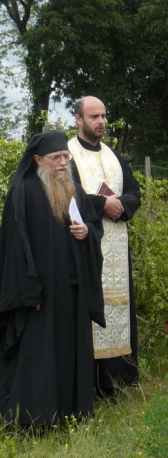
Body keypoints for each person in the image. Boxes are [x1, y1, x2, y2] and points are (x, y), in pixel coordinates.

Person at [0, 131, 104, 426]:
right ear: (38, 160)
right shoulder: (23, 190)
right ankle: (36, 418)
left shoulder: (74, 188)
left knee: (71, 347)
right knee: (40, 353)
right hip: (40, 292)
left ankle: (73, 410)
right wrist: (28, 291)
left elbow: (92, 226)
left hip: (72, 288)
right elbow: (14, 247)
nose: (62, 163)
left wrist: (87, 233)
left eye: (65, 157)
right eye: (56, 158)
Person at [68, 96, 141, 396]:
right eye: (94, 116)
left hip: (117, 246)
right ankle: (88, 383)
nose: (101, 122)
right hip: (85, 247)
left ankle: (117, 381)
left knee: (118, 309)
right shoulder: (67, 154)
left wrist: (121, 205)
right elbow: (67, 196)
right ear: (78, 119)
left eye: (104, 116)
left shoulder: (114, 155)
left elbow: (135, 191)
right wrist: (102, 205)